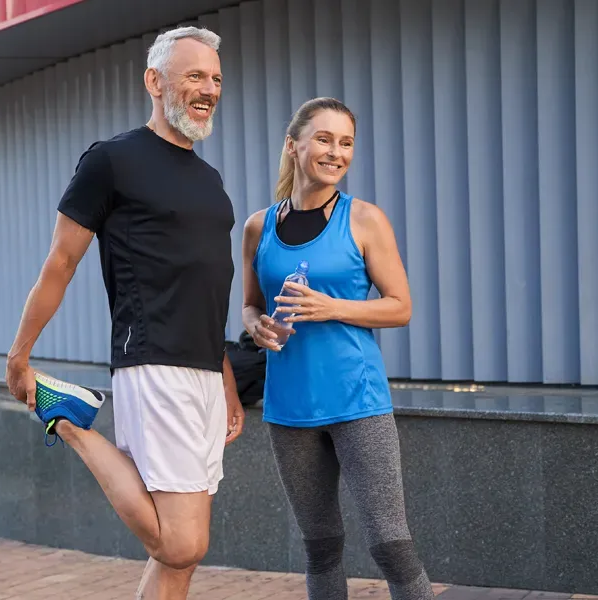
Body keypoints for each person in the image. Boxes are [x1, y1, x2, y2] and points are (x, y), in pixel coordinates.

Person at [5, 26, 245, 600]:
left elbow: (206, 288)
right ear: (154, 82)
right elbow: (60, 263)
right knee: (182, 544)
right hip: (153, 362)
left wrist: (227, 378)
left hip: (204, 372)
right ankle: (65, 418)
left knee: (175, 564)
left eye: (215, 78)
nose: (208, 88)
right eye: (194, 75)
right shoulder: (112, 160)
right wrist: (21, 355)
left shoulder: (210, 181)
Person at [240, 97, 435, 600]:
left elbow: (400, 307)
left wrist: (333, 307)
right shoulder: (259, 226)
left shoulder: (364, 219)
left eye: (346, 142)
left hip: (357, 400)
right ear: (293, 146)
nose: (336, 152)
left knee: (391, 544)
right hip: (288, 408)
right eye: (324, 139)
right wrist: (257, 326)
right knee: (320, 546)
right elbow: (248, 305)